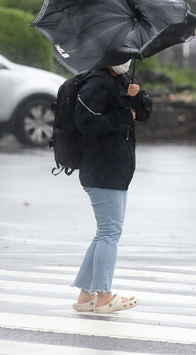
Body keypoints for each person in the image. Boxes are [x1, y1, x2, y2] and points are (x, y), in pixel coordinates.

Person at [71, 60, 153, 313]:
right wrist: (122, 117)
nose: (126, 61)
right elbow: (86, 123)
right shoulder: (95, 83)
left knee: (104, 233)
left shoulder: (123, 80)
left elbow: (145, 115)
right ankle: (104, 296)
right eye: (121, 55)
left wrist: (138, 97)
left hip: (116, 169)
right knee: (109, 233)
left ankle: (86, 296)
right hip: (102, 169)